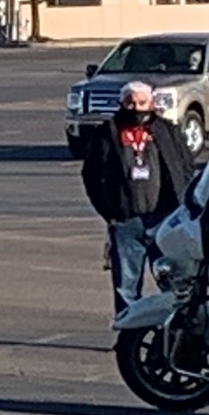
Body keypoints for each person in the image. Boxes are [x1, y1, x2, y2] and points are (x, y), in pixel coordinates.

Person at [81, 80, 196, 313]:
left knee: (173, 282)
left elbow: (186, 167)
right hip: (126, 224)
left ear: (152, 103)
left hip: (164, 221)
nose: (136, 108)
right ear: (121, 104)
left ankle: (178, 336)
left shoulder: (167, 130)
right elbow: (91, 175)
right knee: (126, 287)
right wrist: (110, 212)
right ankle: (128, 339)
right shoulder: (107, 133)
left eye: (142, 102)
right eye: (130, 103)